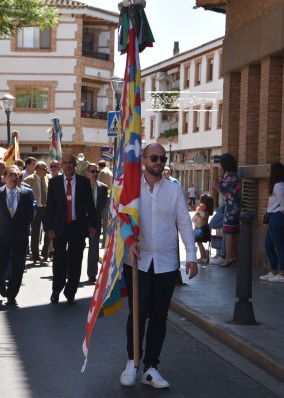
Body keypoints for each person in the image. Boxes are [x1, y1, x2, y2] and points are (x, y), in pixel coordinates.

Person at [120, 143, 198, 389]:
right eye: (154, 157)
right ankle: (132, 362)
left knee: (159, 317)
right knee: (138, 313)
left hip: (166, 263)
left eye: (163, 158)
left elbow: (185, 223)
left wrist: (192, 256)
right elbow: (121, 218)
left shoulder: (174, 190)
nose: (159, 162)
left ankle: (151, 368)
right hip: (137, 261)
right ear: (144, 160)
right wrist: (129, 240)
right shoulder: (131, 189)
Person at [44, 153, 97, 305]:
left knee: (76, 261)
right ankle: (56, 290)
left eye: (70, 163)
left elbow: (90, 206)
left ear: (75, 164)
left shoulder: (84, 182)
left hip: (77, 227)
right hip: (59, 228)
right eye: (65, 163)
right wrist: (49, 228)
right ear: (61, 165)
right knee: (59, 261)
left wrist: (92, 225)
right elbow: (50, 208)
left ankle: (70, 292)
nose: (67, 166)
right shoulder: (54, 183)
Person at [0, 166, 35, 305]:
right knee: (0, 263)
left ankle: (12, 294)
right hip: (1, 235)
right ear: (4, 177)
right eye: (11, 175)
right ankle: (1, 282)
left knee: (18, 265)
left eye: (17, 175)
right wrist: (3, 225)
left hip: (19, 235)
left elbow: (30, 216)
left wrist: (19, 226)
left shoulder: (26, 194)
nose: (14, 178)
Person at [260, 162, 284, 283]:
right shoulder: (280, 185)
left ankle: (283, 273)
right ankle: (274, 271)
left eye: (269, 170)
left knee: (279, 246)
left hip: (277, 217)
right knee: (268, 245)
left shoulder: (278, 186)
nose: (268, 172)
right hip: (274, 217)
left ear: (274, 172)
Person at [215, 153, 241, 267]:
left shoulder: (231, 176)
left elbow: (220, 187)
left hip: (231, 207)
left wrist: (220, 176)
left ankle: (229, 257)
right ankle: (233, 255)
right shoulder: (234, 175)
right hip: (232, 205)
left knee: (229, 232)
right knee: (232, 232)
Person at [85, 163, 108, 282]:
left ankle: (92, 274)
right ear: (87, 173)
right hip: (81, 221)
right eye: (92, 171)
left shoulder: (103, 188)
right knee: (76, 247)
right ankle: (70, 272)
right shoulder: (81, 186)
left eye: (97, 171)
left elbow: (103, 206)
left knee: (94, 249)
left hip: (95, 222)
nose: (95, 174)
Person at [23, 161, 50, 264]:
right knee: (35, 232)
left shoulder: (48, 178)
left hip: (46, 208)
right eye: (44, 169)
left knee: (48, 230)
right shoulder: (28, 180)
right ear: (38, 169)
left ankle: (45, 252)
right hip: (35, 209)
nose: (46, 171)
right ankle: (35, 256)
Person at [192, 195, 214, 264]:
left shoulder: (205, 212)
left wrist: (198, 214)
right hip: (200, 229)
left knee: (199, 243)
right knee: (199, 243)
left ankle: (203, 257)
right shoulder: (204, 211)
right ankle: (202, 256)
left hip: (201, 230)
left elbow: (202, 220)